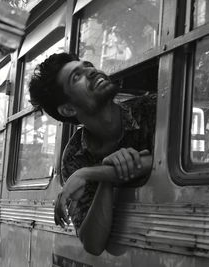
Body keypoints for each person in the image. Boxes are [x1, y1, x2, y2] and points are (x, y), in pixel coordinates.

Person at [29, 53, 155, 255]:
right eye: (76, 77)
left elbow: (162, 163)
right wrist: (106, 178)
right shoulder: (74, 155)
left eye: (88, 65)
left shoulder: (150, 109)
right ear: (69, 108)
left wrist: (88, 174)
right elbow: (94, 244)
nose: (91, 71)